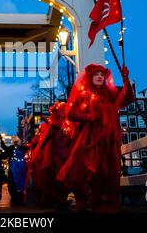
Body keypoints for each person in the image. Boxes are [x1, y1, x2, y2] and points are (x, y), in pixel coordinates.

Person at [57, 63, 134, 213]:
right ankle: (84, 201)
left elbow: (127, 98)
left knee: (105, 171)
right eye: (96, 74)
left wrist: (125, 79)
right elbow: (71, 114)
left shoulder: (109, 95)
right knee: (83, 171)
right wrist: (88, 116)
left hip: (107, 141)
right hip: (88, 139)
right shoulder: (83, 94)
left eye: (102, 75)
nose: (99, 77)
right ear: (90, 77)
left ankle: (101, 202)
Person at [31, 102, 72, 208]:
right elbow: (43, 142)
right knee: (57, 177)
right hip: (57, 157)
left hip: (62, 156)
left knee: (59, 178)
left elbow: (43, 142)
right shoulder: (55, 127)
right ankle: (60, 200)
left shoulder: (62, 126)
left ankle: (60, 199)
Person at [1, 135, 28, 205]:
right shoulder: (22, 148)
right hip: (20, 168)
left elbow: (5, 149)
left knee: (14, 182)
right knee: (19, 182)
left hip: (16, 168)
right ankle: (19, 196)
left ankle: (16, 197)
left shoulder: (14, 148)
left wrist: (2, 141)